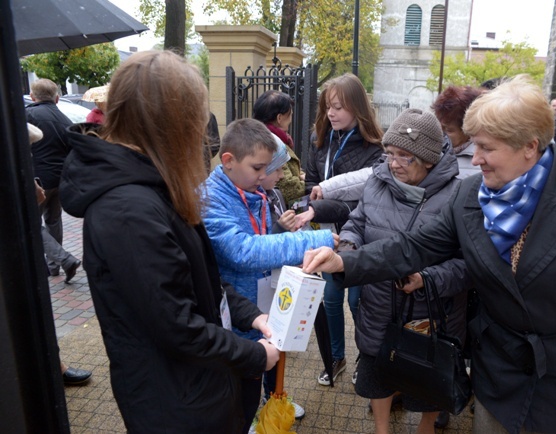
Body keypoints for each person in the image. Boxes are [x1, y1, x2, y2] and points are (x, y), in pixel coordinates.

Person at [303, 75, 556, 434]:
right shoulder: (471, 195)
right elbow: (414, 246)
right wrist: (345, 261)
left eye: (486, 147)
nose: (475, 158)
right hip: (500, 375)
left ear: (529, 147)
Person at [59, 50, 280, 433]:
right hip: (176, 404)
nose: (202, 134)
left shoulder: (153, 189)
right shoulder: (129, 209)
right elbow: (177, 325)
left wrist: (249, 314)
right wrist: (254, 355)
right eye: (195, 120)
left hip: (195, 389)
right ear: (170, 124)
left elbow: (196, 280)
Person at [340, 108, 472, 434]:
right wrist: (348, 244)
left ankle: (425, 430)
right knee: (378, 375)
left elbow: (469, 264)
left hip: (431, 314)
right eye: (389, 154)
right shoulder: (377, 181)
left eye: (404, 156)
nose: (393, 163)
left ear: (428, 159)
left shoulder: (458, 196)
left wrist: (428, 280)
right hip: (378, 306)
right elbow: (357, 222)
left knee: (428, 383)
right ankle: (383, 430)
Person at [203, 118, 338, 431]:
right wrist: (313, 240)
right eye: (257, 168)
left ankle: (259, 408)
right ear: (228, 161)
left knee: (256, 379)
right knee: (235, 393)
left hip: (258, 311)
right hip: (234, 319)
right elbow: (245, 250)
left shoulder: (248, 189)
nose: (264, 176)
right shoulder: (209, 199)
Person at [297, 73, 384, 386]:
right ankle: (336, 358)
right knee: (331, 299)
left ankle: (366, 358)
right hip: (327, 236)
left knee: (356, 302)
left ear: (357, 108)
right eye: (328, 106)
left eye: (338, 107)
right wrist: (315, 204)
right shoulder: (320, 140)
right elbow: (310, 186)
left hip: (361, 239)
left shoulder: (375, 149)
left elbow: (361, 203)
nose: (331, 113)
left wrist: (319, 204)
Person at [431, 84, 483, 428]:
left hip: (477, 261)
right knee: (449, 332)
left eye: (450, 129)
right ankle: (440, 401)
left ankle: (475, 390)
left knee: (476, 335)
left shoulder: (483, 157)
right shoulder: (440, 150)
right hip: (447, 257)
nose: (445, 136)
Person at [28, 123, 92, 386]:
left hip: (48, 183)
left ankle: (56, 365)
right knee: (48, 225)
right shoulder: (58, 115)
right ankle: (62, 260)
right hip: (56, 180)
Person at [25, 78, 81, 282]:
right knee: (53, 220)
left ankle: (63, 259)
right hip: (60, 180)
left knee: (31, 222)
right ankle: (54, 266)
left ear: (32, 96)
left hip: (38, 180)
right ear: (57, 98)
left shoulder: (28, 114)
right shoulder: (65, 119)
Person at [253, 90, 305, 206]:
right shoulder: (270, 144)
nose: (291, 119)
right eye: (290, 114)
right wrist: (308, 182)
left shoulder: (269, 137)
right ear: (280, 118)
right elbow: (288, 188)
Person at [432, 85, 483, 179]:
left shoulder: (480, 161)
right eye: (440, 127)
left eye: (449, 130)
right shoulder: (434, 150)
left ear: (468, 129)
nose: (442, 134)